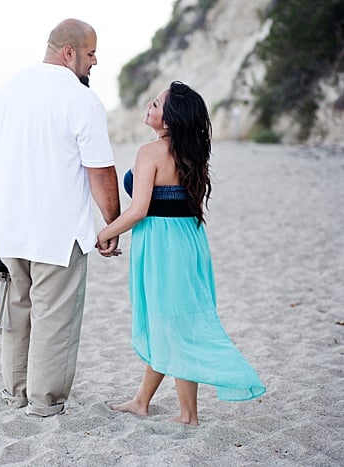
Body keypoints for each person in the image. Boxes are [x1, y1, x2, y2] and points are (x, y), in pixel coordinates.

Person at [96, 81, 266, 425]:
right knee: (173, 321)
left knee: (172, 324)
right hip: (188, 241)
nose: (149, 104)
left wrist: (105, 232)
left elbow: (139, 208)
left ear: (169, 121)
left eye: (156, 104)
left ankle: (189, 415)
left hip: (161, 245)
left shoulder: (150, 152)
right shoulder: (192, 152)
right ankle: (142, 401)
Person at [0, 18, 121, 417]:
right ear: (69, 52)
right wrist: (111, 223)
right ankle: (45, 403)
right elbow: (101, 171)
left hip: (11, 228)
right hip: (57, 233)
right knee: (54, 319)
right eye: (91, 52)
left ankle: (17, 394)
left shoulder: (9, 89)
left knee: (19, 315)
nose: (95, 61)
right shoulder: (81, 100)